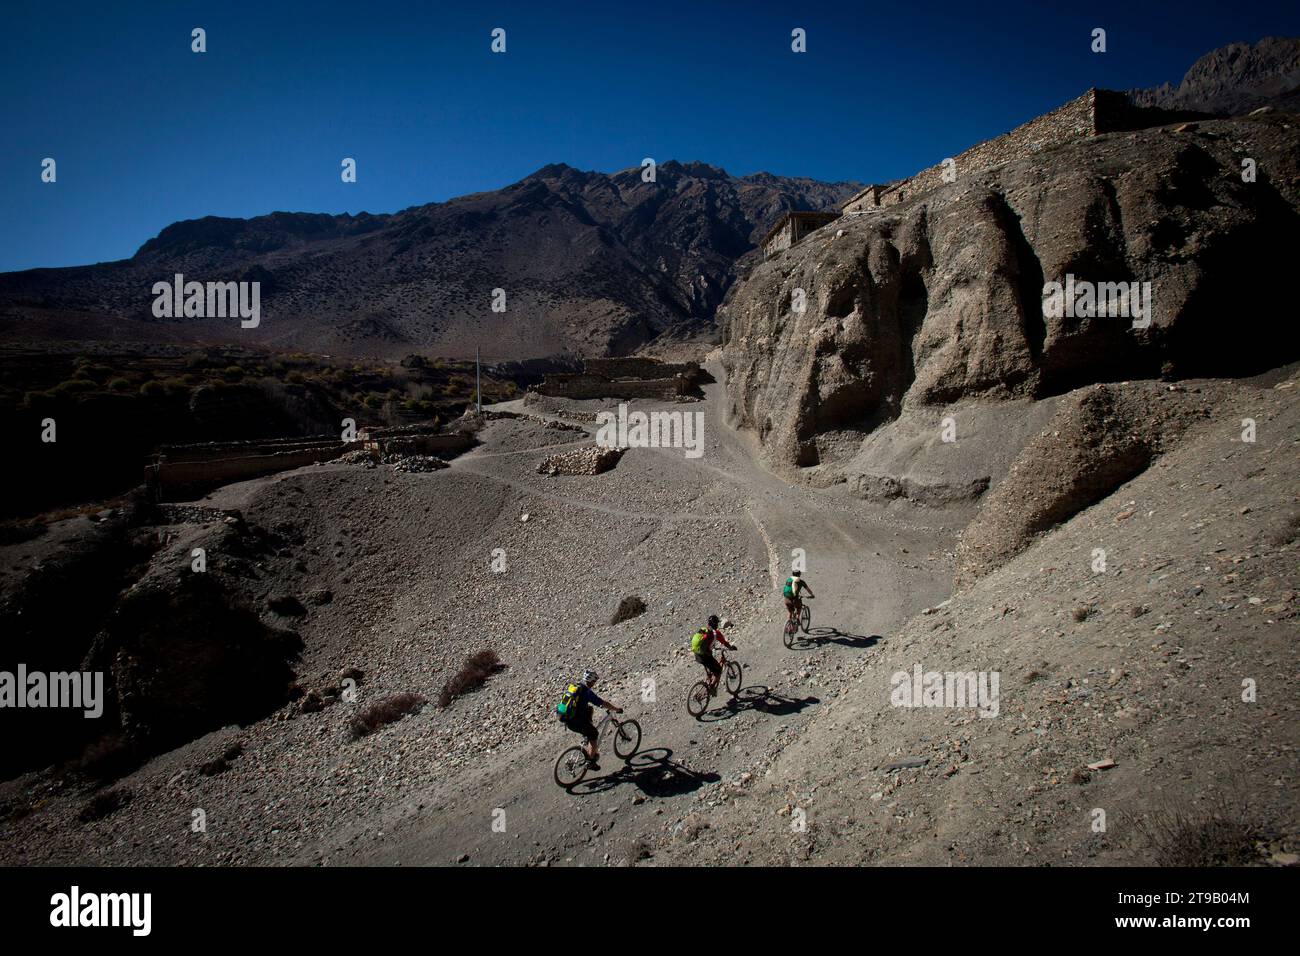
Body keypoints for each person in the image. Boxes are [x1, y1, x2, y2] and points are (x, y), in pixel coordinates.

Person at [557, 670, 622, 769]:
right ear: (591, 681)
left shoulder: (575, 687)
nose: (594, 684)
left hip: (567, 719)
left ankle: (588, 737)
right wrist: (616, 709)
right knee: (594, 734)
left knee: (589, 709)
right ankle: (590, 762)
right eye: (594, 681)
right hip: (576, 722)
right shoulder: (587, 692)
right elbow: (603, 703)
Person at [690, 614, 735, 695]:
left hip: (697, 655)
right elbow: (724, 643)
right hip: (705, 657)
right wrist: (731, 647)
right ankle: (711, 689)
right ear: (716, 624)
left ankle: (709, 682)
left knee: (711, 666)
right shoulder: (716, 633)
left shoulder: (703, 630)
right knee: (718, 671)